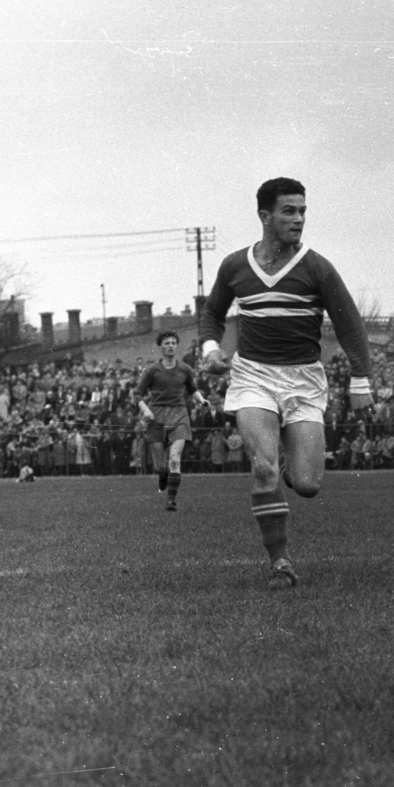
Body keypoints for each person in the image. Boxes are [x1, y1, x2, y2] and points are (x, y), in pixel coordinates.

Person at [200, 177, 374, 589]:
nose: (298, 219)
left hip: (303, 381)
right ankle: (280, 562)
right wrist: (211, 349)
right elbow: (212, 313)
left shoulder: (316, 267)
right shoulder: (235, 266)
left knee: (309, 485)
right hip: (253, 376)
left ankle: (293, 470)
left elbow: (350, 324)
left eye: (302, 211)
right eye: (289, 211)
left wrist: (361, 379)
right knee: (263, 468)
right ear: (265, 216)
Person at [134, 331, 209, 511]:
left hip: (179, 414)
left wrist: (201, 400)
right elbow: (137, 394)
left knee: (175, 458)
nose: (170, 346)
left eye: (173, 343)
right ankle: (162, 474)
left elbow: (192, 389)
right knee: (160, 465)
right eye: (166, 343)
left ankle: (171, 500)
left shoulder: (184, 369)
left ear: (177, 346)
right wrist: (145, 409)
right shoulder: (152, 370)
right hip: (157, 415)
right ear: (160, 347)